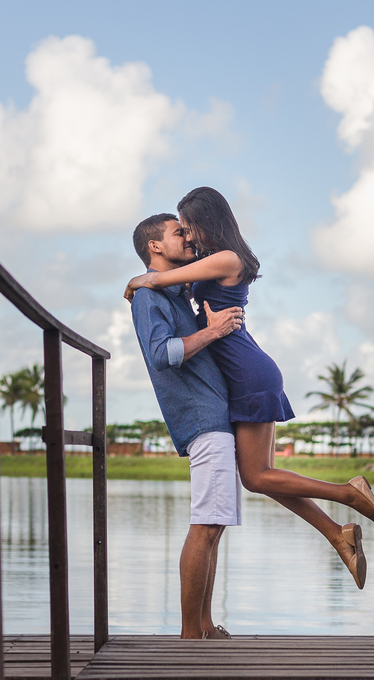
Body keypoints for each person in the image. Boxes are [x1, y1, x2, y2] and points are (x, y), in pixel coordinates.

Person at [124, 188, 374, 589]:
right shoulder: (208, 263)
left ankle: (349, 494)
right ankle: (338, 533)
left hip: (248, 372)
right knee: (260, 475)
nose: (189, 237)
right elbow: (164, 283)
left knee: (258, 477)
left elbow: (157, 277)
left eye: (188, 227)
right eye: (181, 231)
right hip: (241, 372)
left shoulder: (227, 259)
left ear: (205, 220)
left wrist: (139, 282)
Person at [129, 212, 246, 640]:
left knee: (213, 527)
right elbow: (163, 354)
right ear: (155, 246)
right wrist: (213, 332)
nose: (189, 237)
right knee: (206, 525)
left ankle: (203, 626)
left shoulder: (173, 293)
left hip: (214, 417)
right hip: (200, 419)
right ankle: (189, 637)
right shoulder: (149, 298)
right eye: (179, 233)